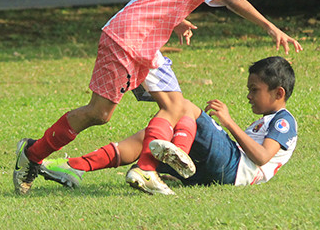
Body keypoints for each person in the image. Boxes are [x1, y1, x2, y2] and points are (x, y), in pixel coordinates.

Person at [14, 0, 302, 196]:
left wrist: (173, 17)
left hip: (137, 38)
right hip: (132, 39)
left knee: (171, 107)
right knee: (102, 113)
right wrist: (270, 27)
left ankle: (144, 168)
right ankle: (35, 153)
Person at [44, 56, 298, 194]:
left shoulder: (284, 121)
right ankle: (73, 167)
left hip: (233, 170)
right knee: (150, 140)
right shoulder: (267, 119)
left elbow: (263, 157)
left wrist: (229, 122)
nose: (249, 96)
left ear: (279, 93)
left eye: (255, 90)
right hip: (218, 174)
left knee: (184, 107)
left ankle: (178, 151)